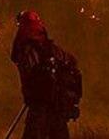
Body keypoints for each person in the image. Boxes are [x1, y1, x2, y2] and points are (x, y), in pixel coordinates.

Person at [10, 11, 81, 139]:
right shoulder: (51, 48)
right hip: (56, 104)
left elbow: (27, 68)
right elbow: (71, 61)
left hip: (40, 104)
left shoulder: (28, 49)